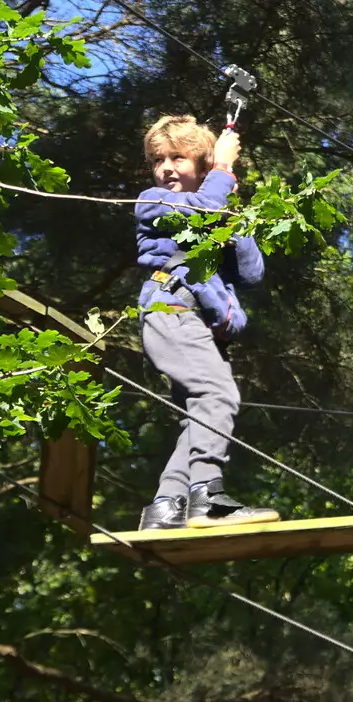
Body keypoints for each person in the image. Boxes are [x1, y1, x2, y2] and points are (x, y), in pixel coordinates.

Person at [134, 114, 279, 530]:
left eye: (178, 158)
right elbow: (202, 207)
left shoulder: (215, 209)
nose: (166, 168)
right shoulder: (152, 201)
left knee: (198, 419)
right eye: (159, 160)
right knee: (218, 393)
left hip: (197, 324)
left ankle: (166, 506)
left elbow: (250, 274)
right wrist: (221, 172)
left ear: (199, 163)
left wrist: (233, 221)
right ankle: (208, 498)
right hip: (172, 310)